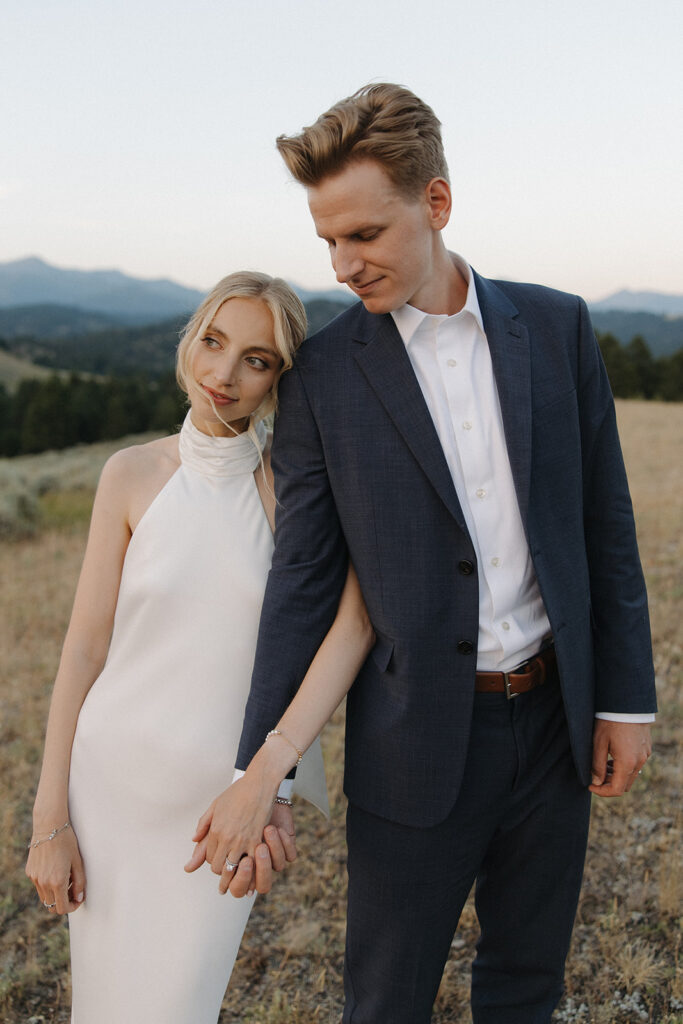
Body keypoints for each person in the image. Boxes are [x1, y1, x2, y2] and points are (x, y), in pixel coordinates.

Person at [214, 85, 656, 1023]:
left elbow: (604, 529)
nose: (341, 264)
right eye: (327, 240)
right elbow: (301, 582)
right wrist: (264, 772)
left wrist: (623, 701)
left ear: (437, 204)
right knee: (384, 1000)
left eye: (364, 234)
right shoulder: (322, 379)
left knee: (527, 984)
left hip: (554, 729)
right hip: (409, 741)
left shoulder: (558, 326)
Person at [25, 271, 374, 1024]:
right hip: (108, 790)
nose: (224, 374)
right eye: (213, 342)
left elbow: (350, 630)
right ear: (190, 341)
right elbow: (83, 651)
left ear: (280, 378)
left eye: (257, 359)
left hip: (218, 811)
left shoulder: (299, 494)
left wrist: (270, 787)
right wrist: (49, 819)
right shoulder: (129, 475)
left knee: (182, 1004)